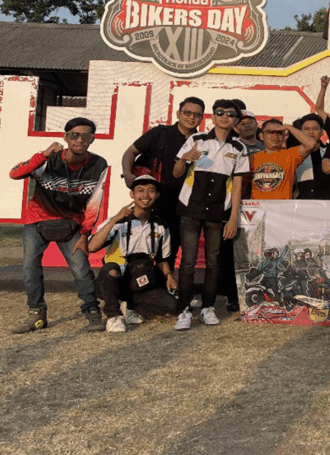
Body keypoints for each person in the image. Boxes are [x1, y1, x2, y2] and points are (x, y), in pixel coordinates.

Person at [10, 117, 109, 334]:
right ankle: (36, 314)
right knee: (30, 269)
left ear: (92, 140)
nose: (80, 140)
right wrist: (43, 155)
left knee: (81, 269)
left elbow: (94, 202)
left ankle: (92, 312)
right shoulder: (48, 159)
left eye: (85, 136)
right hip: (38, 220)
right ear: (65, 137)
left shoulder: (98, 164)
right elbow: (15, 173)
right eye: (74, 135)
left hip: (71, 223)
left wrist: (85, 234)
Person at [172, 100, 249, 330]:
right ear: (213, 117)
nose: (225, 117)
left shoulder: (239, 148)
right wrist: (185, 158)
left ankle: (208, 307)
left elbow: (237, 186)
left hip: (218, 211)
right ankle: (184, 310)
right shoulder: (197, 140)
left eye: (230, 114)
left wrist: (233, 217)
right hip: (190, 208)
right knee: (188, 262)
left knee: (214, 262)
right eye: (220, 112)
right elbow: (176, 173)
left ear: (236, 120)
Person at [121, 96, 204, 268]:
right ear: (178, 114)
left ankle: (165, 283)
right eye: (187, 112)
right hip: (156, 201)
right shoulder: (160, 134)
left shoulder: (203, 140)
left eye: (197, 114)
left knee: (171, 250)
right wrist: (128, 174)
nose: (191, 117)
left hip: (185, 204)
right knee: (145, 247)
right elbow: (130, 152)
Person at [90, 176, 177, 332]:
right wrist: (115, 219)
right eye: (140, 191)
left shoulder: (161, 226)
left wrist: (169, 276)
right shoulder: (118, 221)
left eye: (151, 191)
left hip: (141, 280)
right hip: (115, 279)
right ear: (132, 194)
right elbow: (92, 246)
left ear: (157, 195)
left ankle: (130, 306)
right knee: (111, 268)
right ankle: (113, 316)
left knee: (173, 306)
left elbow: (162, 258)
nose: (145, 196)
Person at [249, 119, 317, 200]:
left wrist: (288, 127)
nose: (275, 136)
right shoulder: (252, 158)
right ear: (261, 136)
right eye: (270, 132)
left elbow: (311, 144)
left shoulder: (290, 155)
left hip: (282, 206)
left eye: (280, 133)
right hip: (257, 206)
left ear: (284, 136)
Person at [292, 114, 327, 199]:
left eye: (315, 128)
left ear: (322, 132)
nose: (311, 132)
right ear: (300, 132)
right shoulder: (293, 153)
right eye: (306, 129)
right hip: (302, 201)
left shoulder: (329, 152)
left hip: (327, 201)